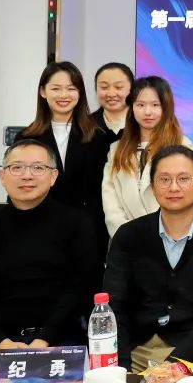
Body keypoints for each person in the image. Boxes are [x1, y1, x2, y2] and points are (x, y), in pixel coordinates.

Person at [0, 140, 97, 370]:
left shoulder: (77, 225)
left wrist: (44, 339)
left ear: (53, 177)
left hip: (60, 340)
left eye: (38, 168)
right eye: (17, 167)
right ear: (2, 176)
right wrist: (0, 343)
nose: (27, 175)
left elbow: (81, 288)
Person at [104, 145, 193, 370]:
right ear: (153, 186)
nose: (174, 187)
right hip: (140, 351)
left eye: (183, 179)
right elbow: (115, 307)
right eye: (164, 179)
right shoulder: (128, 236)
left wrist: (172, 366)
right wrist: (122, 369)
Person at [15, 61, 116, 266]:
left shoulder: (99, 136)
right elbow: (18, 188)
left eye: (71, 89)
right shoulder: (26, 138)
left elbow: (107, 190)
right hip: (40, 230)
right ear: (43, 92)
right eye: (56, 89)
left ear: (80, 93)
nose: (64, 95)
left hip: (88, 232)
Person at [102, 76, 193, 237]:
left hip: (171, 237)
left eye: (155, 105)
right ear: (132, 108)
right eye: (140, 105)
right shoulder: (117, 149)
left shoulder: (182, 145)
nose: (147, 112)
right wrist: (125, 235)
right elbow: (110, 201)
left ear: (166, 108)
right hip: (126, 239)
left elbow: (187, 194)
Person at [92, 62, 134, 135]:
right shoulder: (84, 125)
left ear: (132, 89)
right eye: (104, 87)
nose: (111, 94)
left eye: (118, 87)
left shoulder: (143, 122)